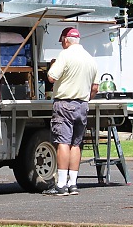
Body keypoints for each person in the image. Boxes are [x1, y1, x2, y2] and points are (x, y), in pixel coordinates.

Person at [42, 27, 98, 196]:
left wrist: (52, 65)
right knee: (76, 143)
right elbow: (95, 87)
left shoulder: (65, 55)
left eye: (62, 41)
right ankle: (73, 184)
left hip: (65, 104)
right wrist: (86, 99)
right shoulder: (90, 59)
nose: (62, 44)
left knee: (63, 142)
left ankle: (60, 185)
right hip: (82, 105)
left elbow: (52, 77)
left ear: (66, 40)